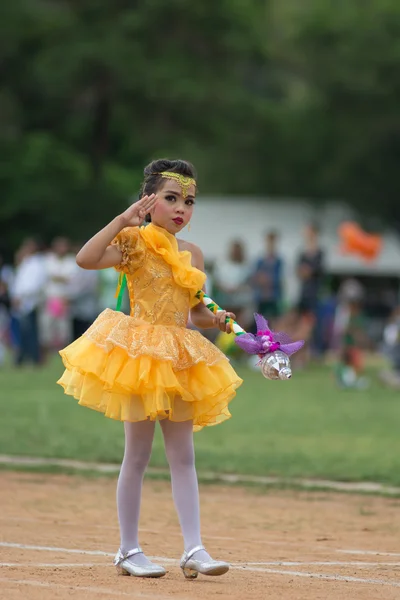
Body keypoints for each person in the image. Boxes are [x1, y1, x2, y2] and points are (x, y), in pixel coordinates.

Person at [57, 159, 243, 580]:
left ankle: (194, 549)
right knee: (137, 455)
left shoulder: (192, 253)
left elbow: (196, 311)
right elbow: (85, 260)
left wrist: (220, 318)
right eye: (172, 198)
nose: (182, 208)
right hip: (140, 354)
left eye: (189, 201)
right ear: (149, 200)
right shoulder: (133, 241)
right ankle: (127, 549)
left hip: (179, 356)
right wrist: (123, 219)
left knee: (183, 456)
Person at [250, 230, 283, 322]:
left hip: (273, 298)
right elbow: (254, 278)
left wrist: (267, 280)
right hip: (261, 298)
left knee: (274, 323)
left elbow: (279, 279)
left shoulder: (279, 261)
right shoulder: (260, 261)